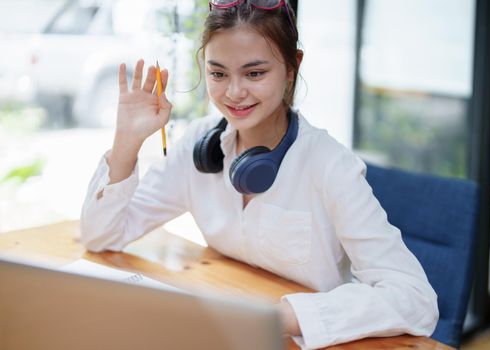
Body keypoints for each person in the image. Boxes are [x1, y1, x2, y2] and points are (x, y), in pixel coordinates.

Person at [80, 1, 439, 348]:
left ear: (292, 68)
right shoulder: (199, 145)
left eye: (255, 73)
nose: (234, 93)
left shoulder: (329, 165)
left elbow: (415, 298)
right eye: (218, 73)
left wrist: (273, 319)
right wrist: (126, 141)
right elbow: (101, 237)